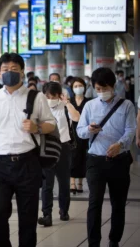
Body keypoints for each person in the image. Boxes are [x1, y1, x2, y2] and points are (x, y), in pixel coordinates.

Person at [0, 53, 56, 247]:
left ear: (22, 72)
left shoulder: (36, 97)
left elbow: (51, 125)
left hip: (27, 162)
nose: (9, 73)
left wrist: (37, 127)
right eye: (5, 70)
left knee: (28, 217)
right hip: (0, 163)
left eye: (14, 70)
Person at [77, 67, 135, 247]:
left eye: (105, 88)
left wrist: (121, 144)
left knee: (118, 203)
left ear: (113, 85)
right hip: (95, 160)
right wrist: (89, 129)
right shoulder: (89, 105)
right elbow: (80, 131)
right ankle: (93, 242)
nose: (101, 92)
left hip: (119, 160)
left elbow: (131, 129)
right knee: (95, 202)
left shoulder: (126, 105)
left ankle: (114, 240)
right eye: (98, 89)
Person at [38, 82, 80, 227]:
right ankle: (47, 214)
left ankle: (64, 211)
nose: (50, 98)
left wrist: (67, 102)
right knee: (46, 183)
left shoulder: (65, 107)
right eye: (48, 96)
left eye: (53, 96)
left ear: (59, 95)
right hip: (47, 148)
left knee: (64, 182)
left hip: (63, 147)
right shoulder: (40, 109)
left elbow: (77, 118)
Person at [69, 77, 89, 193]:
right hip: (71, 131)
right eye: (75, 86)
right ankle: (72, 182)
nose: (78, 88)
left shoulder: (88, 101)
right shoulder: (69, 101)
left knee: (82, 156)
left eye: (80, 86)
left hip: (85, 131)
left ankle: (80, 182)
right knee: (72, 156)